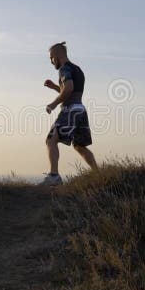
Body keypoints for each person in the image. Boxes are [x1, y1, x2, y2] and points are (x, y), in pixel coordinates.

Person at [41, 41, 98, 186]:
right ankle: (98, 174)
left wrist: (53, 105)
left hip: (70, 110)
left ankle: (54, 176)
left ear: (58, 55)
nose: (51, 62)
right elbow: (70, 90)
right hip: (80, 110)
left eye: (52, 58)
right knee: (79, 145)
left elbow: (69, 88)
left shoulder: (64, 69)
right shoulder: (77, 69)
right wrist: (55, 87)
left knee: (51, 139)